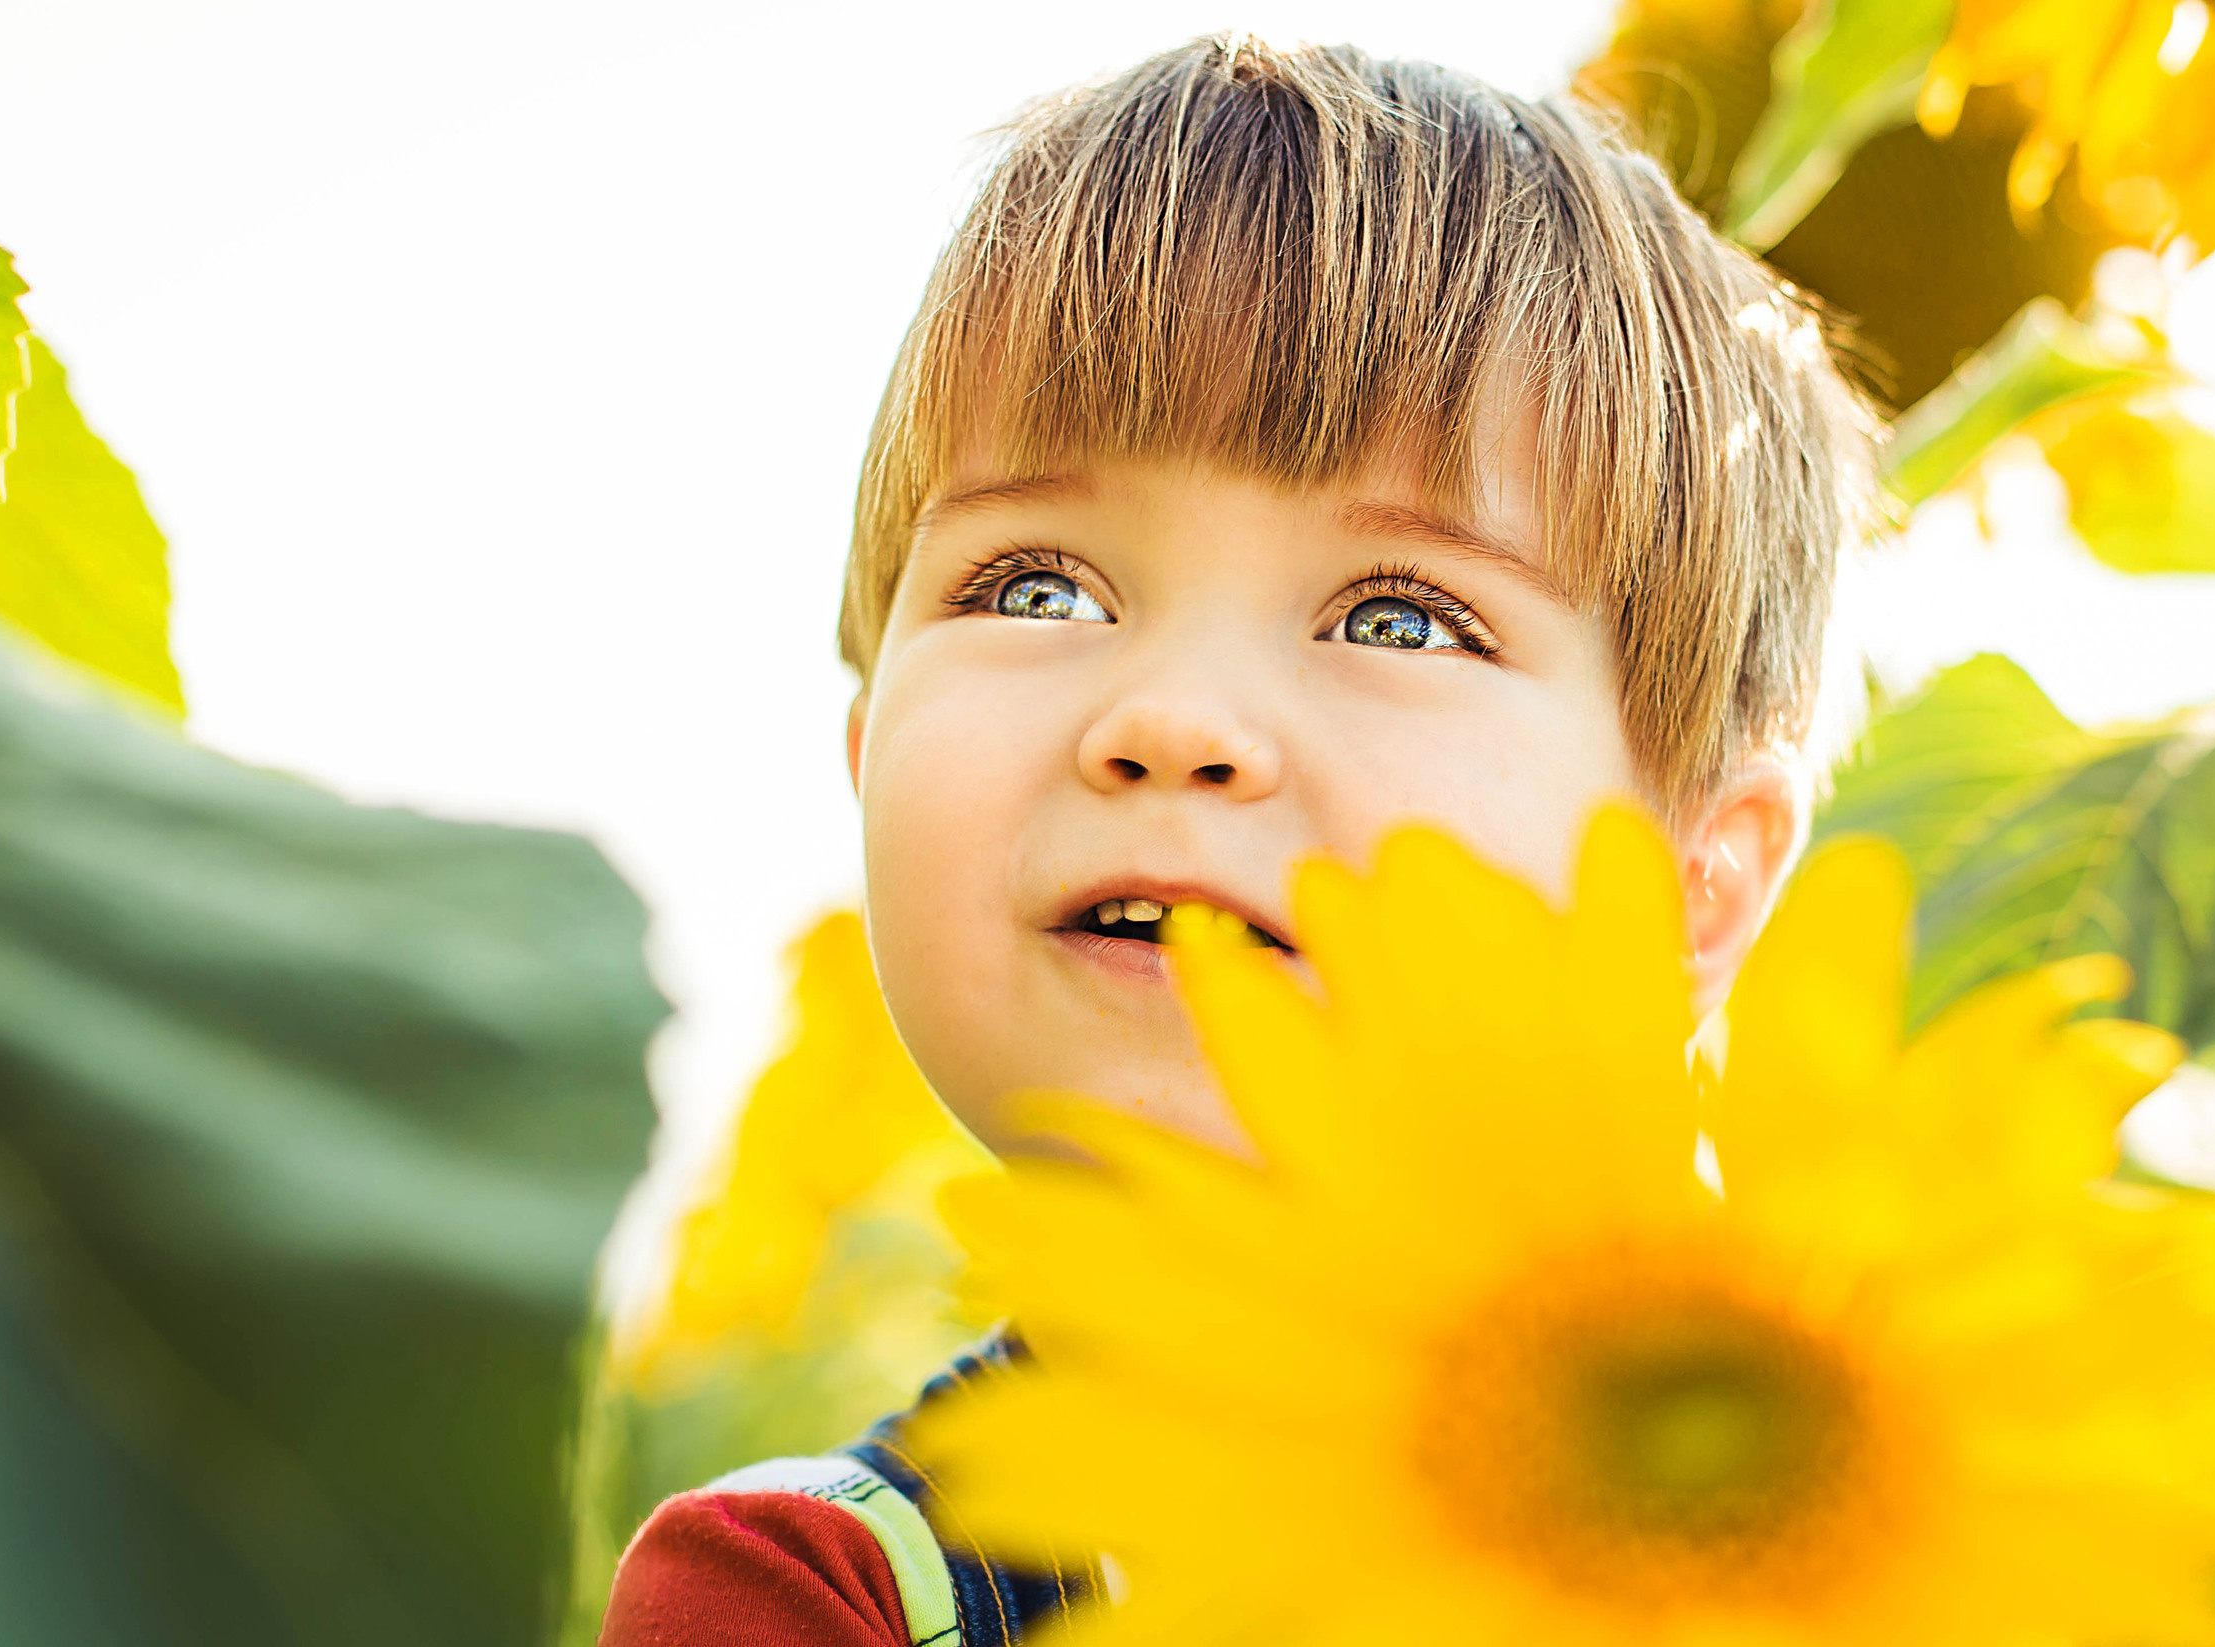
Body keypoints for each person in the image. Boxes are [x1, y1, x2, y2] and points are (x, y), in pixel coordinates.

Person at [600, 32, 1878, 1646]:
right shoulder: (814, 1602)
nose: (1174, 716)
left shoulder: (1929, 1512)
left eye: (1400, 617)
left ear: (1691, 887)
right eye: (1037, 588)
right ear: (866, 764)